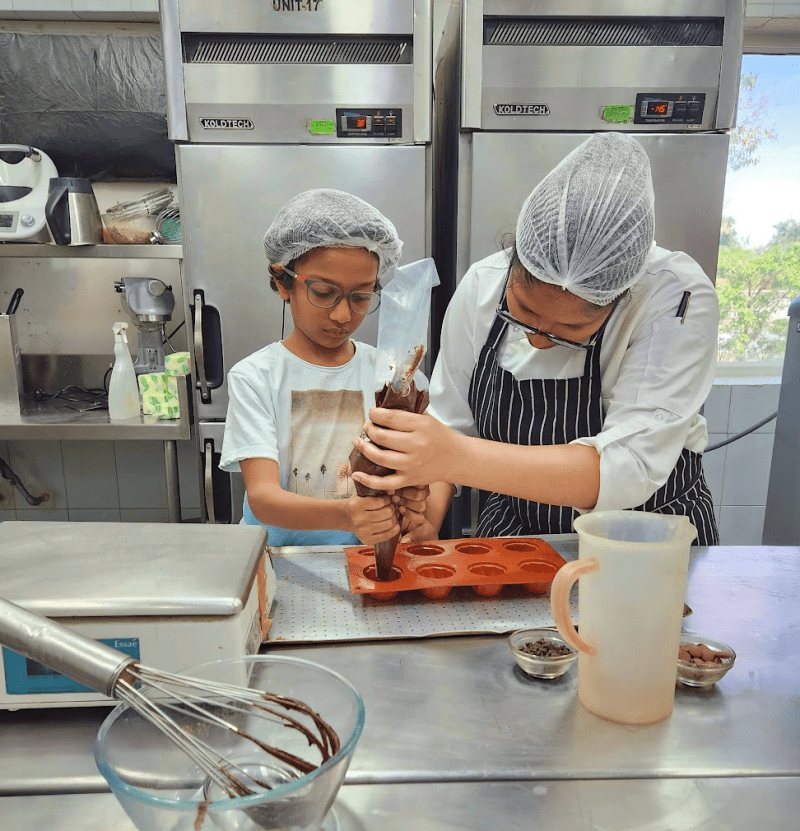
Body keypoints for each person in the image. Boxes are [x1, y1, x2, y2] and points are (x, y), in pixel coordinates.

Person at [350, 133, 720, 545]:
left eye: (570, 333)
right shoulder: (483, 285)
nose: (540, 342)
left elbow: (628, 466)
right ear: (514, 263)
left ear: (619, 297)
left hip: (642, 541)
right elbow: (453, 421)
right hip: (514, 534)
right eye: (522, 314)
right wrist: (426, 520)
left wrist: (453, 456)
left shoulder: (675, 297)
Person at [220, 188, 427, 547]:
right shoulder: (256, 377)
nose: (343, 315)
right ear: (282, 281)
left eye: (361, 296)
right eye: (324, 292)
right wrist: (346, 515)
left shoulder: (391, 375)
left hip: (362, 561)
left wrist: (418, 514)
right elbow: (263, 498)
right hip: (277, 560)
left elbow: (422, 470)